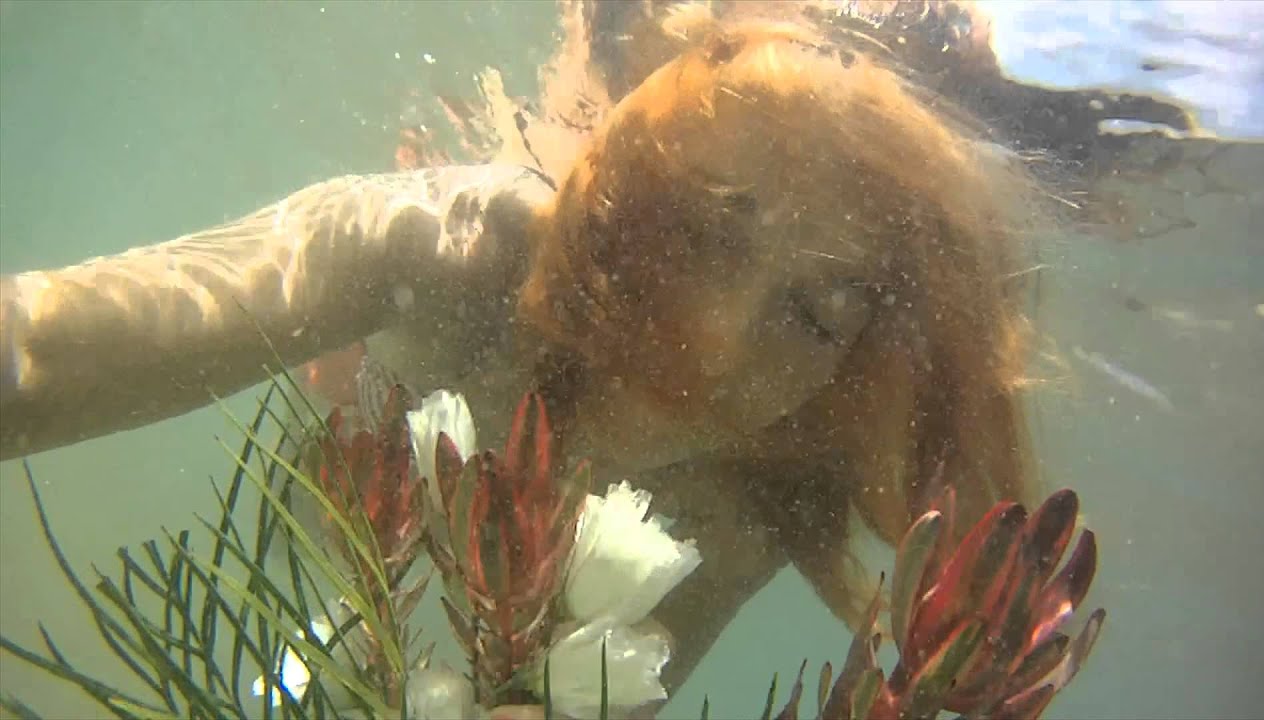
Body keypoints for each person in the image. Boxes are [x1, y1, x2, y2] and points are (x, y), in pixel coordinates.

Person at [0, 0, 1196, 707]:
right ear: (625, 173)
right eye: (704, 220)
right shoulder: (450, 243)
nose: (714, 344)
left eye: (822, 312)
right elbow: (39, 356)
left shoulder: (770, 484)